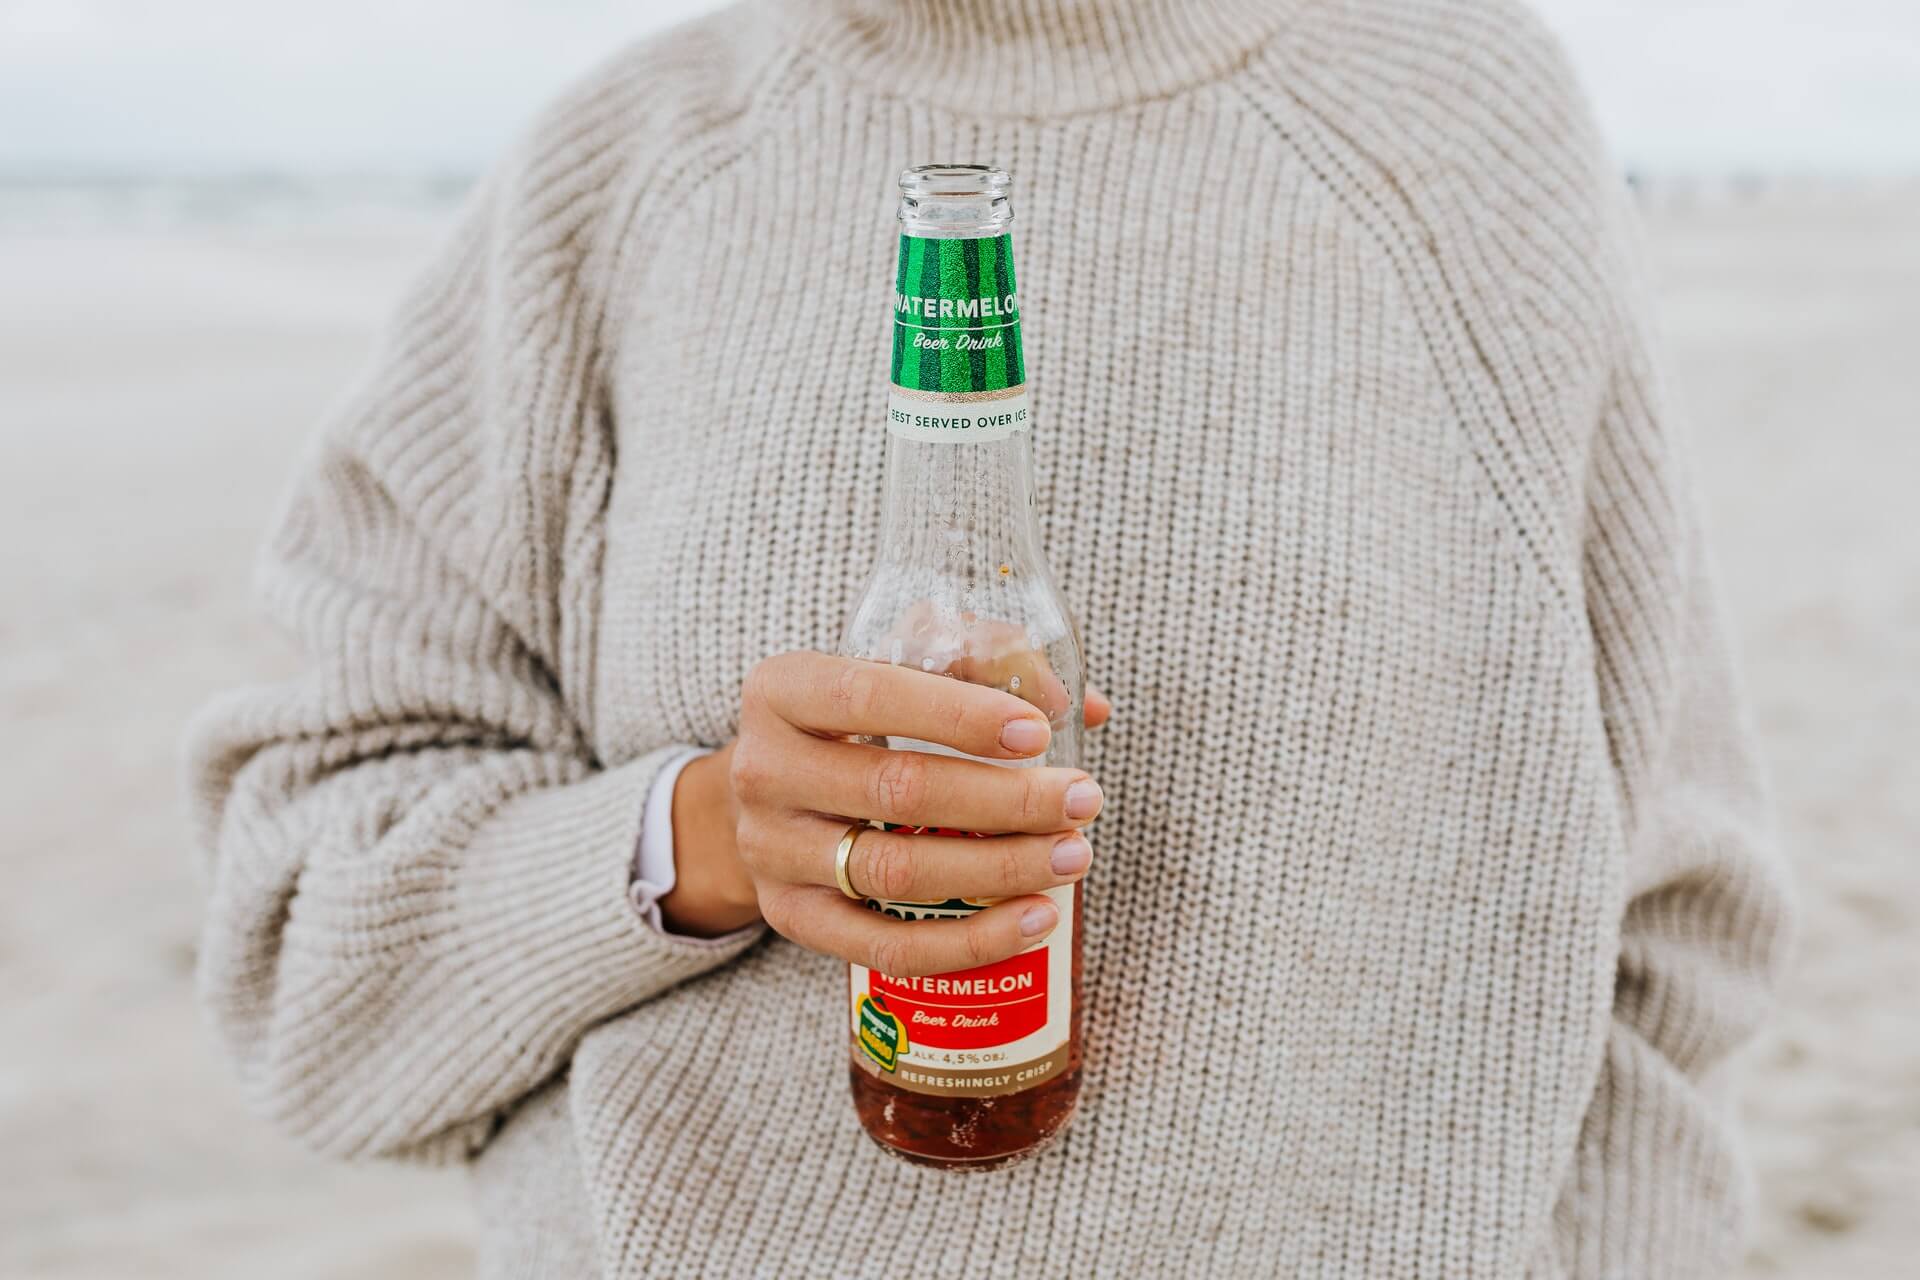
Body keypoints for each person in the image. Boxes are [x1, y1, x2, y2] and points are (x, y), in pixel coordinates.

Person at [186, 0, 1794, 1274]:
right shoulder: (623, 172)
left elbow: (1673, 938)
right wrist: (704, 841)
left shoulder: (1460, 117)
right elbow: (296, 958)